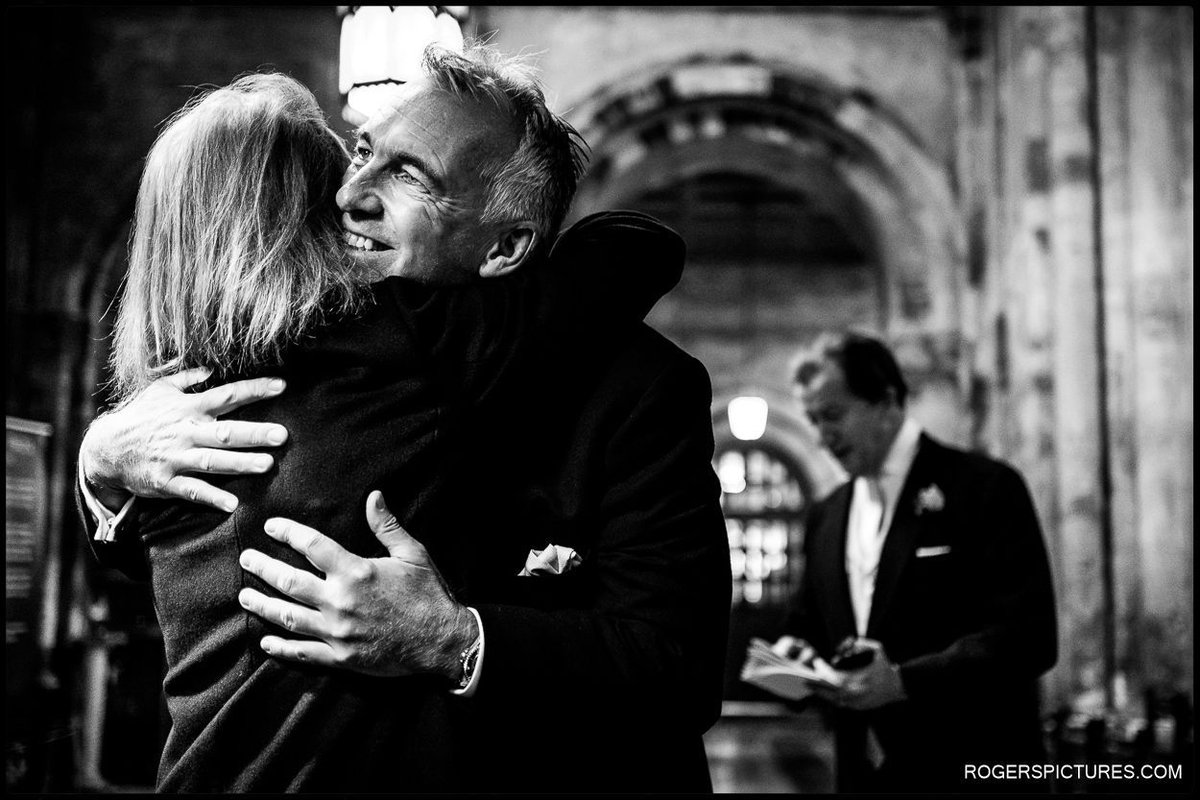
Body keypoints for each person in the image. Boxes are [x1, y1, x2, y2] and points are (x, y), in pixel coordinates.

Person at [79, 46, 731, 793]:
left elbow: (679, 670)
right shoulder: (284, 350)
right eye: (361, 153)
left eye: (407, 174)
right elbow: (191, 557)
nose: (347, 193)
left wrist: (459, 641)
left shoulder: (635, 386)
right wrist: (102, 464)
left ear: (506, 247)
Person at [771, 331, 1057, 792]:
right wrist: (794, 658)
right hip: (863, 775)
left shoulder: (983, 488)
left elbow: (1029, 639)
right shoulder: (827, 515)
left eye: (833, 415)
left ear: (886, 402)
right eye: (812, 420)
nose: (823, 437)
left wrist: (904, 681)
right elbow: (806, 622)